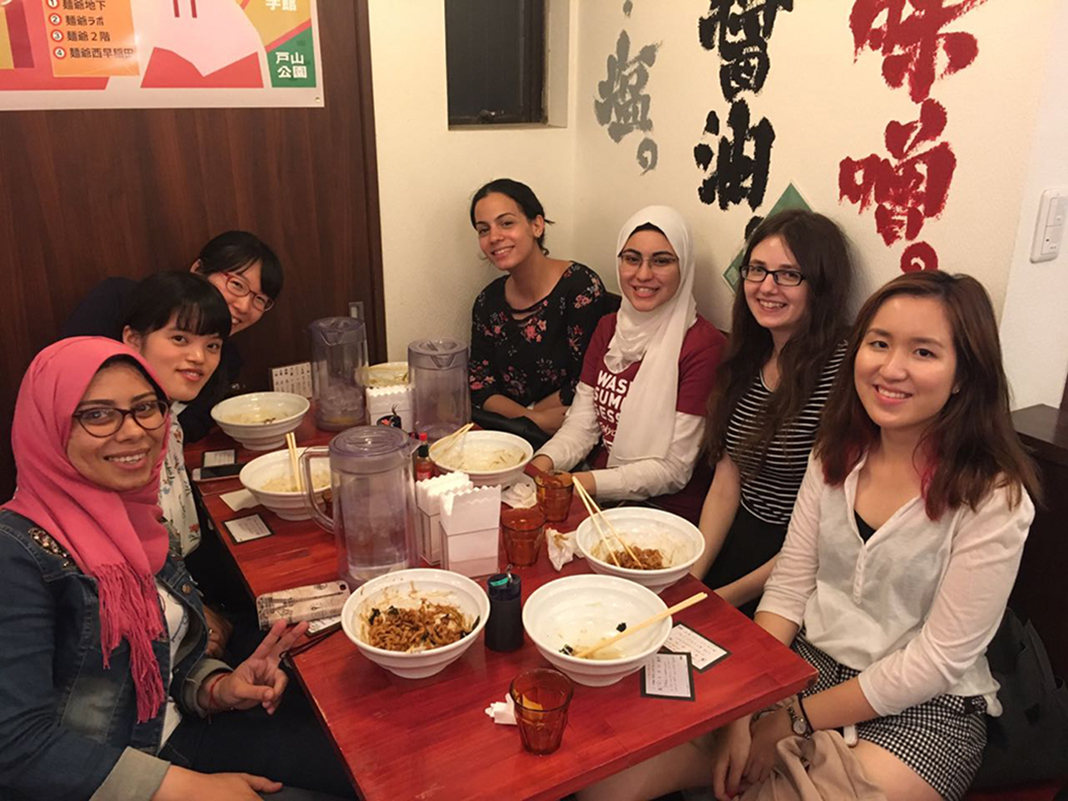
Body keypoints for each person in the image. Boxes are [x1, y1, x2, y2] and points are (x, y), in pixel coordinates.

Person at [578, 271, 1039, 801]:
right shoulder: (834, 456)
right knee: (608, 779)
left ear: (964, 374)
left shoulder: (993, 497)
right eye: (879, 343)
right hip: (804, 665)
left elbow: (938, 662)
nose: (892, 368)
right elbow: (791, 585)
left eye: (924, 352)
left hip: (923, 707)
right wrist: (746, 705)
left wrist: (792, 718)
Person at [0, 338, 353, 800]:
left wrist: (215, 687)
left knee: (361, 752)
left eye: (145, 408)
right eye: (98, 414)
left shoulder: (136, 516)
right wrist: (185, 788)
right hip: (113, 778)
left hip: (178, 736)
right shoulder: (17, 554)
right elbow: (16, 745)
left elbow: (151, 663)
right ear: (48, 425)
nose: (133, 431)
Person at [694, 210, 854, 615]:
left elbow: (826, 531)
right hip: (738, 538)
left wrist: (724, 599)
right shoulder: (751, 353)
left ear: (821, 285)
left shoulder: (844, 371)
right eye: (757, 270)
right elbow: (727, 481)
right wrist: (692, 579)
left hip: (799, 567)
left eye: (788, 275)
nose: (767, 286)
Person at [529, 205, 726, 523]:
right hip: (598, 494)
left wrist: (580, 484)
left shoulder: (703, 346)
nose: (643, 274)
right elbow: (582, 424)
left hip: (662, 512)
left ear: (684, 267)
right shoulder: (609, 327)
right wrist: (541, 464)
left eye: (661, 261)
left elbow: (674, 470)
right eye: (632, 259)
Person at [61, 230, 284, 441]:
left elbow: (192, 425)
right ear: (198, 269)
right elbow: (67, 382)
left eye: (260, 300)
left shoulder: (226, 359)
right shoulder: (120, 301)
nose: (244, 306)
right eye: (237, 284)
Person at [469, 179, 615, 438]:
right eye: (483, 230)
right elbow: (480, 385)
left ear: (536, 225)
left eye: (506, 223)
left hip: (571, 432)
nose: (494, 237)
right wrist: (531, 418)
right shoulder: (488, 301)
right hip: (507, 432)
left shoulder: (580, 287)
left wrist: (530, 420)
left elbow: (586, 380)